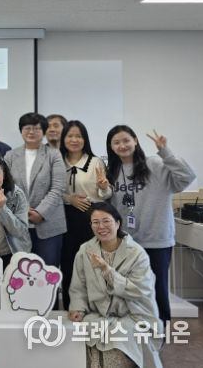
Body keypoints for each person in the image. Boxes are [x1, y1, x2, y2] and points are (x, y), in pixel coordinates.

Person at [106, 125, 195, 324]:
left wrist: (165, 151)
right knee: (127, 289)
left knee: (157, 288)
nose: (122, 145)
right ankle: (134, 330)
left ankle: (161, 329)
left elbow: (187, 177)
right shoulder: (112, 171)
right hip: (126, 242)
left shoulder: (154, 164)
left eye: (126, 140)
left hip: (156, 240)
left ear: (135, 141)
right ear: (111, 147)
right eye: (116, 142)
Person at [69, 202, 163, 368]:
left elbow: (139, 291)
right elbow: (78, 287)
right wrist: (78, 308)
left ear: (118, 223)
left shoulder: (136, 253)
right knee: (85, 343)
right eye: (95, 222)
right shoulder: (85, 251)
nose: (101, 227)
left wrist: (107, 270)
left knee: (118, 342)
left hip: (132, 315)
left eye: (106, 221)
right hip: (98, 315)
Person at [59, 120, 112, 309]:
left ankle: (94, 309)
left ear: (85, 139)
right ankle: (70, 308)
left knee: (91, 265)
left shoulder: (95, 162)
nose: (74, 140)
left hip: (89, 219)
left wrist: (104, 187)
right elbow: (52, 190)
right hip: (64, 218)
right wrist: (69, 199)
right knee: (67, 264)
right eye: (70, 136)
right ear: (63, 138)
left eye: (78, 136)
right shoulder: (57, 161)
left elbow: (106, 195)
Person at [4, 113, 66, 267]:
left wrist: (40, 212)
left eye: (37, 128)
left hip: (48, 224)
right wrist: (22, 209)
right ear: (21, 130)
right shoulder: (10, 156)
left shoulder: (53, 154)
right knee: (19, 270)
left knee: (47, 271)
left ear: (43, 131)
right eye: (27, 128)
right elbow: (4, 186)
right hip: (17, 222)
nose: (31, 132)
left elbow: (58, 188)